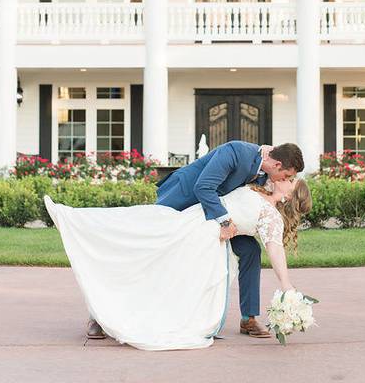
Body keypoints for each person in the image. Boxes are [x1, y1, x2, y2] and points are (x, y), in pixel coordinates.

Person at [43, 141, 310, 351]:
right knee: (149, 248)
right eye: (284, 174)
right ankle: (100, 315)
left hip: (214, 217)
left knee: (250, 250)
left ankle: (249, 317)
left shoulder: (266, 171)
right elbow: (205, 186)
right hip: (185, 197)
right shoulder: (236, 153)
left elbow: (268, 196)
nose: (281, 179)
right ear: (274, 163)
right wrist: (226, 221)